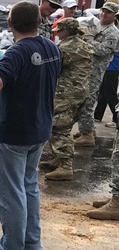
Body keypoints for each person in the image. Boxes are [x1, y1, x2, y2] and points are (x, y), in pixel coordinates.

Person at [0, 1, 61, 250]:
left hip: (14, 132)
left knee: (9, 193)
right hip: (39, 129)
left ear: (10, 23)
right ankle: (30, 242)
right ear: (39, 22)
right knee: (28, 186)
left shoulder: (16, 53)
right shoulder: (50, 47)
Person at [40, 17, 94, 181]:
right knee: (66, 125)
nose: (57, 35)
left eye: (59, 31)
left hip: (67, 93)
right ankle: (59, 157)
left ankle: (65, 166)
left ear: (65, 31)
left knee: (58, 127)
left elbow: (53, 67)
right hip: (82, 92)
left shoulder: (66, 47)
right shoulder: (85, 44)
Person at [73, 0, 119, 148]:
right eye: (103, 11)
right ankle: (88, 129)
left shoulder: (113, 32)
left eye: (108, 12)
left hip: (96, 70)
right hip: (87, 67)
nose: (104, 14)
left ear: (114, 15)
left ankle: (87, 135)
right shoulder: (98, 26)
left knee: (87, 101)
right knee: (85, 99)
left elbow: (102, 50)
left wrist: (88, 39)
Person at [93, 49, 119, 126]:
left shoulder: (114, 37)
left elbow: (105, 49)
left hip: (112, 66)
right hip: (107, 66)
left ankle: (116, 118)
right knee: (103, 91)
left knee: (110, 93)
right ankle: (98, 115)